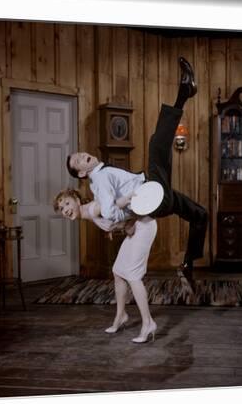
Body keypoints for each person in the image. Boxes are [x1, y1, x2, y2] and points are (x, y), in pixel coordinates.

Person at [66, 57, 208, 291]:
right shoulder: (99, 180)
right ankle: (184, 91)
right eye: (79, 160)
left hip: (156, 197)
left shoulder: (102, 174)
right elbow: (111, 212)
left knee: (199, 215)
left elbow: (110, 213)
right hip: (150, 196)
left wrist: (124, 220)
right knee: (156, 145)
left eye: (81, 153)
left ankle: (188, 264)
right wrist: (128, 211)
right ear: (82, 173)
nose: (84, 156)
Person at [54, 188, 158, 344]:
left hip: (143, 226)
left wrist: (129, 222)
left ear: (77, 199)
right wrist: (114, 227)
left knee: (132, 274)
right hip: (136, 228)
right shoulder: (90, 213)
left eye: (67, 203)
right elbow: (114, 216)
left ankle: (148, 323)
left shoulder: (94, 209)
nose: (66, 210)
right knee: (118, 271)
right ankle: (121, 316)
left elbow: (127, 206)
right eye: (62, 209)